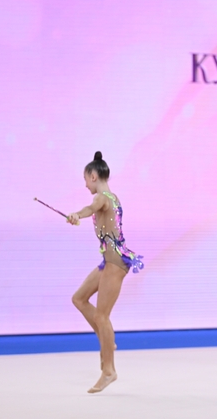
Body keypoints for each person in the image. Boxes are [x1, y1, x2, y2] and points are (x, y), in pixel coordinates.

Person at [68, 151, 144, 393]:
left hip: (115, 263)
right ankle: (106, 340)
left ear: (93, 176)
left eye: (85, 179)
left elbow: (90, 208)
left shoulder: (103, 197)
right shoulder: (111, 196)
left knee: (102, 317)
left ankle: (109, 371)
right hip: (106, 262)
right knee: (79, 298)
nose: (85, 184)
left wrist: (76, 215)